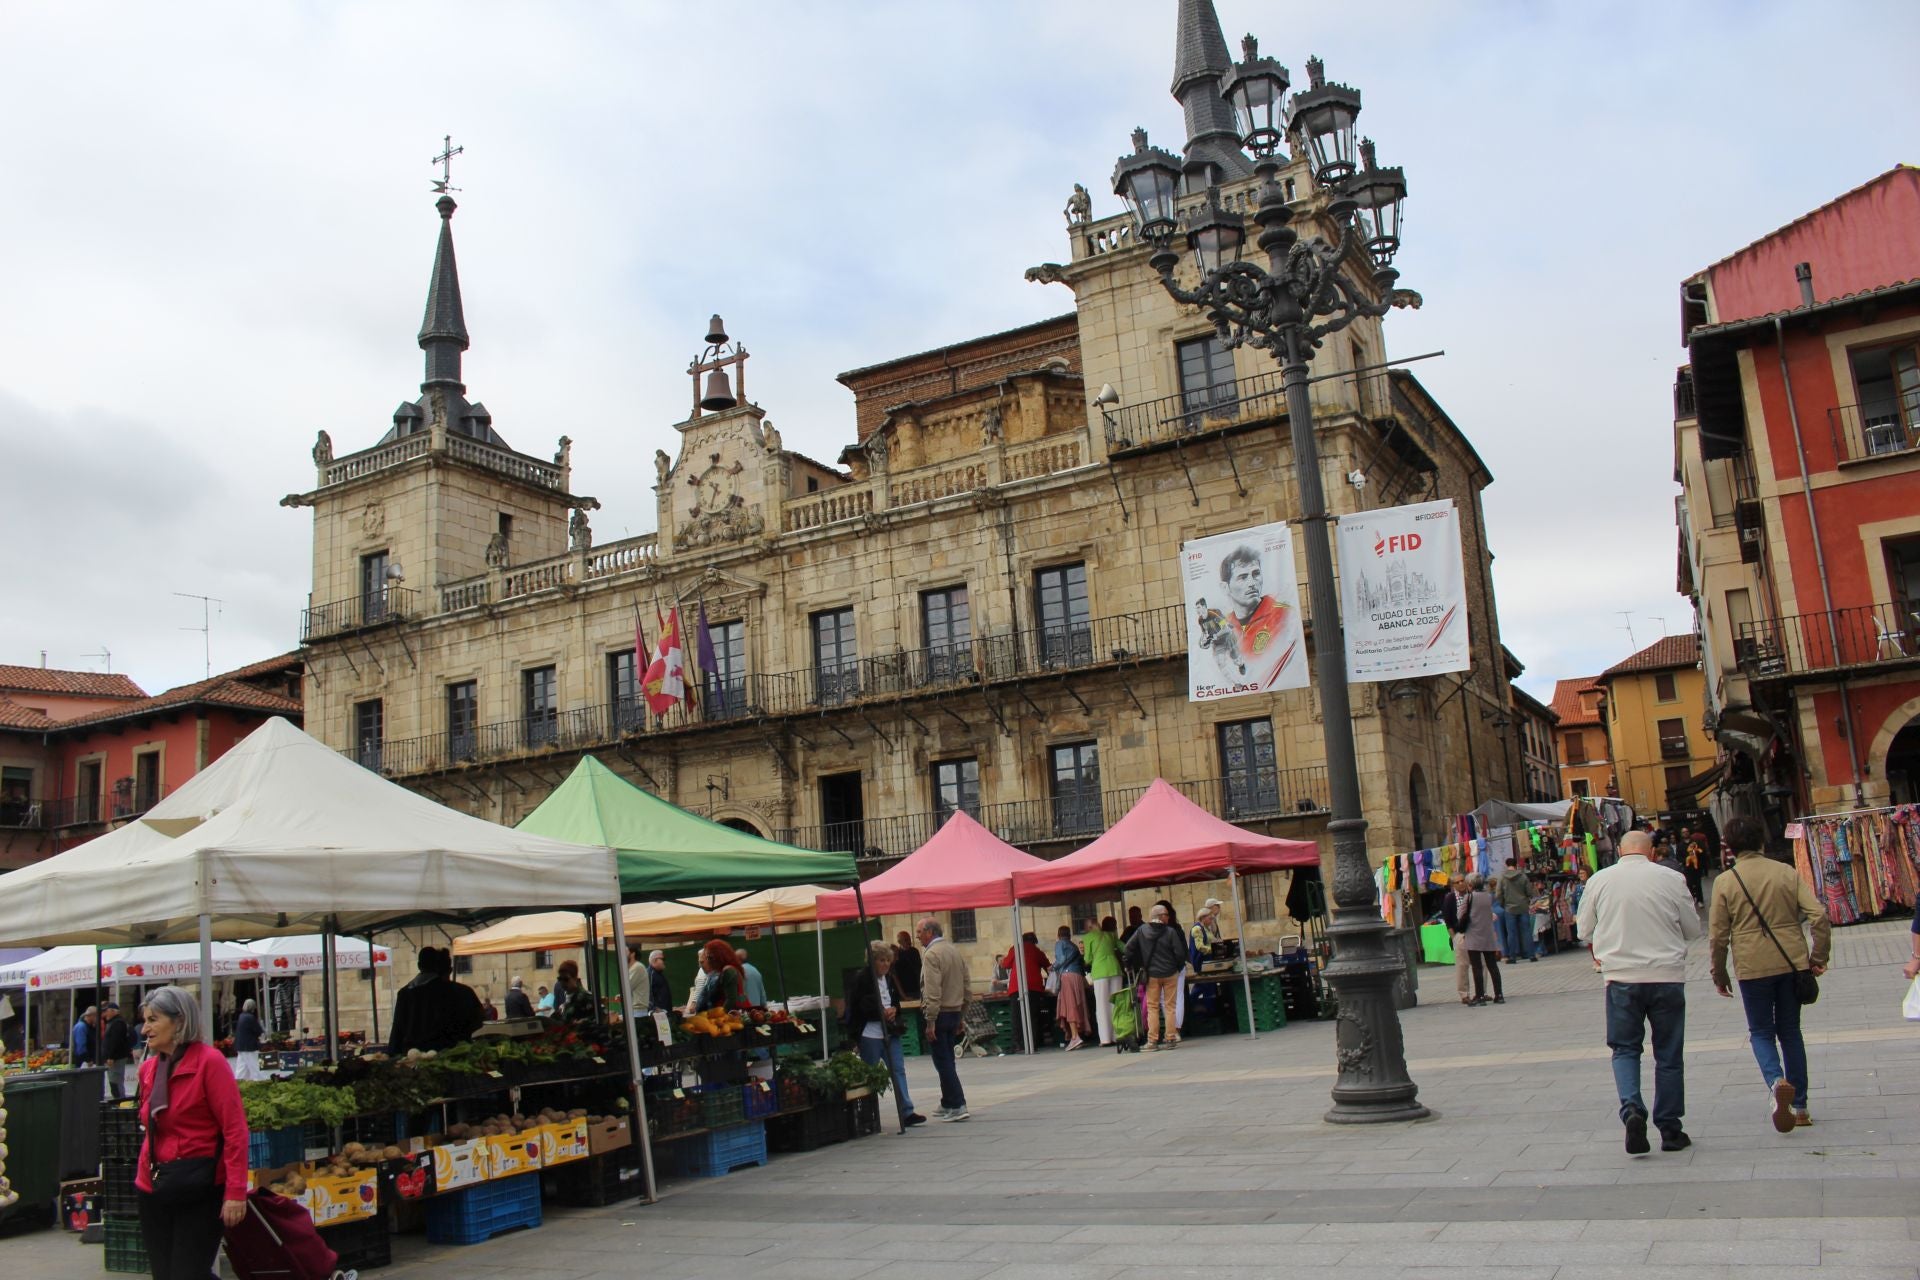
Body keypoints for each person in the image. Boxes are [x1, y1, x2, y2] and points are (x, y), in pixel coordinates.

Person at [1577, 829, 1703, 1156]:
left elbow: (1583, 929)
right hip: (1666, 976)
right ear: (1650, 853)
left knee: (1625, 1049)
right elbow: (1693, 928)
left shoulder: (1600, 880)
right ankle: (1671, 1128)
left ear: (1619, 851)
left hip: (1621, 978)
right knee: (1669, 1054)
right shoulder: (1671, 878)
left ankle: (1632, 1109)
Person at [1709, 814, 1830, 1132]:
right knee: (1791, 1032)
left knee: (1761, 1032)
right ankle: (1801, 1107)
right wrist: (1817, 957)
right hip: (1791, 962)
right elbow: (1818, 915)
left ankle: (1776, 1081)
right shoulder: (1786, 873)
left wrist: (1719, 974)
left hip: (1752, 967)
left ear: (1731, 848)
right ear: (1761, 841)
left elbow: (1718, 937)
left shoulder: (1725, 882)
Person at [135, 986, 250, 1280]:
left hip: (199, 1186)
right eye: (145, 1020)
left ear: (179, 1021)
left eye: (153, 1019)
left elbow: (235, 1129)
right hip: (154, 1186)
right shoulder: (148, 1069)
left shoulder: (209, 1063)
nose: (145, 1028)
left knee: (188, 1273)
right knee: (166, 1275)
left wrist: (235, 1192)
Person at [847, 941, 925, 1129]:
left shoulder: (888, 978)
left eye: (887, 960)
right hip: (870, 1033)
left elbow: (895, 1002)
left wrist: (893, 1010)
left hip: (890, 1031)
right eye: (882, 960)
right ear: (873, 961)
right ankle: (868, 1113)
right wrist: (879, 1012)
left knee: (898, 1069)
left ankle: (906, 1110)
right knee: (871, 1074)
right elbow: (859, 1006)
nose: (885, 964)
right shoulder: (862, 979)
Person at [916, 917, 969, 1121]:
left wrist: (930, 1020)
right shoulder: (954, 950)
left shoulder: (931, 955)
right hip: (954, 1010)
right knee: (947, 1058)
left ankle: (957, 1104)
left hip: (940, 1013)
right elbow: (967, 986)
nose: (918, 935)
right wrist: (962, 1013)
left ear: (930, 932)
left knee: (943, 1061)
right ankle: (948, 1101)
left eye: (920, 931)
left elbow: (932, 990)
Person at [386, 946, 485, 1055]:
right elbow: (478, 1021)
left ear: (419, 966)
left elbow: (397, 1032)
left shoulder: (404, 994)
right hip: (451, 1055)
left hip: (413, 1058)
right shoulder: (460, 992)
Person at [1124, 904, 1187, 1050]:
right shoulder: (1170, 932)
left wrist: (1129, 964)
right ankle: (1170, 1038)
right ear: (1159, 916)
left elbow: (1128, 948)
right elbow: (1180, 953)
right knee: (1170, 1006)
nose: (1168, 917)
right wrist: (1176, 968)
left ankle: (1152, 1041)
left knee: (1153, 1007)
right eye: (1166, 914)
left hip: (1151, 975)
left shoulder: (1142, 930)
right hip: (1170, 973)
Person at [1001, 931, 1051, 1052]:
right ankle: (1033, 1043)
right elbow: (1048, 967)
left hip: (1017, 986)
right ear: (1034, 941)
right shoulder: (1037, 951)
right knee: (1033, 1015)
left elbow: (1006, 964)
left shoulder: (1015, 949)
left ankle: (1017, 1043)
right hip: (1034, 987)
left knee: (1016, 1016)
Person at [1459, 875, 1504, 1006]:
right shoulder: (1488, 896)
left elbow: (1461, 914)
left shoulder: (1469, 897)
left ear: (1470, 885)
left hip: (1473, 935)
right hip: (1488, 934)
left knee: (1477, 967)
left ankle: (1479, 996)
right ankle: (1499, 994)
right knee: (1492, 966)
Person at [1082, 916, 1124, 1046]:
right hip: (1115, 970)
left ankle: (1105, 1038)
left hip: (1100, 972)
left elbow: (1088, 959)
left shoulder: (1088, 937)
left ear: (1089, 927)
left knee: (1101, 1006)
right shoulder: (1110, 935)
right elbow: (1124, 948)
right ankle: (1118, 1035)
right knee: (1116, 1004)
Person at [1052, 925, 1090, 1050]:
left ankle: (1075, 1036)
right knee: (1078, 1005)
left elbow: (1061, 959)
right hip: (1078, 976)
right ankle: (1078, 1034)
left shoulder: (1059, 944)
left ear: (1058, 934)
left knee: (1069, 1005)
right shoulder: (1073, 946)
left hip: (1067, 976)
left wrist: (1053, 967)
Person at [1440, 878, 1474, 1005]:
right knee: (1462, 965)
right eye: (1457, 882)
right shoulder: (1450, 898)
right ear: (1452, 885)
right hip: (1460, 934)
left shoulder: (1471, 895)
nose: (1461, 883)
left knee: (1481, 964)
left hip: (1475, 933)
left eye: (1462, 880)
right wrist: (1454, 937)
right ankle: (1464, 994)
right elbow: (1448, 920)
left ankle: (1482, 992)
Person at [1495, 860, 1536, 962]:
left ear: (1506, 865)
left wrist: (1503, 904)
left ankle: (1512, 957)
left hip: (1509, 908)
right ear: (1516, 865)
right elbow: (1529, 892)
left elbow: (1498, 894)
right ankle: (1531, 955)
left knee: (1511, 933)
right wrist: (1526, 900)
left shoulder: (1502, 878)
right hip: (1523, 906)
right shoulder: (1523, 876)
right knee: (1526, 931)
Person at [692, 940, 749, 1012]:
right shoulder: (725, 971)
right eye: (707, 958)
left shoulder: (728, 971)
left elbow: (731, 1000)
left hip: (731, 1017)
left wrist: (718, 1016)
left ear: (720, 956)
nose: (709, 961)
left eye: (710, 958)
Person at [100, 1003, 134, 1097]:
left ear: (112, 1011)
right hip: (115, 1057)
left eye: (107, 1011)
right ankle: (118, 1100)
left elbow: (115, 1041)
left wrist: (111, 1056)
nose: (105, 1013)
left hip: (116, 1058)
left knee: (115, 1081)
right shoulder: (114, 1022)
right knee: (114, 1081)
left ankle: (119, 1101)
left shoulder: (117, 1023)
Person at [551, 958, 599, 1024]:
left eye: (566, 979)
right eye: (559, 979)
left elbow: (602, 1016)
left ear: (575, 978)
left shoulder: (586, 997)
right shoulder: (565, 996)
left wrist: (582, 1022)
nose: (562, 982)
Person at [231, 999, 263, 1082]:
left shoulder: (241, 1016)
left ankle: (239, 1082)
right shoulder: (250, 1017)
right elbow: (258, 1030)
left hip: (240, 1045)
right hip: (249, 1046)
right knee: (255, 1066)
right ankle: (259, 1082)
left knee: (241, 1068)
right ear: (253, 1008)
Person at [891, 929, 923, 1001]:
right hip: (904, 990)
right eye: (906, 940)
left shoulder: (914, 951)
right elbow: (895, 977)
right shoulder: (897, 953)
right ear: (899, 942)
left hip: (916, 988)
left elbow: (919, 969)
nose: (909, 942)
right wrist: (903, 995)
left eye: (909, 939)